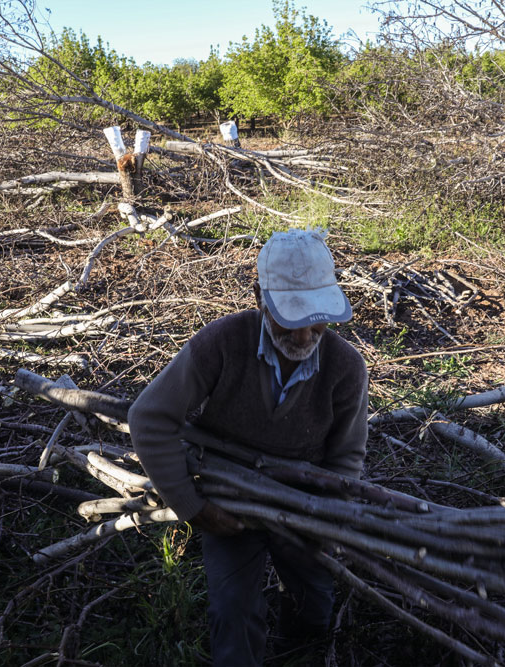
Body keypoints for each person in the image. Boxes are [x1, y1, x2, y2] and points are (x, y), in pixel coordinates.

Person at [128, 228, 369, 666]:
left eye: (314, 318)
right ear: (260, 297)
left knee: (314, 608)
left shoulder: (345, 367)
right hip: (228, 506)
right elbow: (149, 417)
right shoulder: (221, 344)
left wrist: (326, 516)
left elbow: (346, 457)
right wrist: (192, 506)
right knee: (233, 614)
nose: (302, 336)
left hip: (301, 506)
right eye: (288, 319)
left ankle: (297, 649)